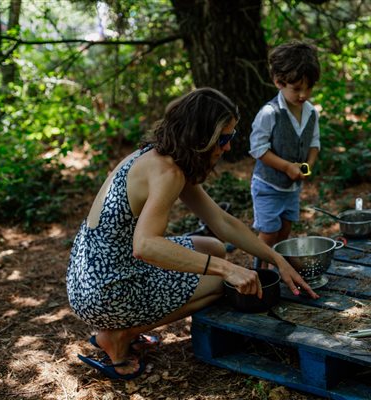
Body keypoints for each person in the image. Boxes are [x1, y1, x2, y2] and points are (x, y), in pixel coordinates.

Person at [66, 87, 319, 380]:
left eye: (231, 136)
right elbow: (145, 246)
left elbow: (220, 221)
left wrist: (276, 257)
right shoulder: (167, 172)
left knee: (213, 246)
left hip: (89, 276)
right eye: (223, 138)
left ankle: (118, 329)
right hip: (105, 291)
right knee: (219, 284)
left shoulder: (164, 157)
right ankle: (118, 336)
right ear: (200, 138)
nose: (227, 147)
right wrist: (227, 271)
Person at [249, 41, 321, 266]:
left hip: (291, 189)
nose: (303, 95)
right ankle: (260, 270)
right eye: (296, 89)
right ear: (279, 82)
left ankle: (278, 266)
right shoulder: (270, 113)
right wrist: (287, 167)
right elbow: (258, 148)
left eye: (308, 88)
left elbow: (314, 144)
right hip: (268, 186)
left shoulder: (310, 113)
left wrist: (307, 165)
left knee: (285, 229)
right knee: (269, 232)